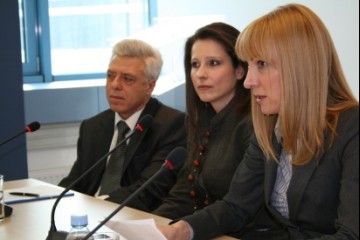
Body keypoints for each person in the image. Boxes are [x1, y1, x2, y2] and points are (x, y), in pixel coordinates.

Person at [159, 3, 359, 239]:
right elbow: (236, 206)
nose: (248, 81)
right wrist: (180, 230)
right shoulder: (271, 128)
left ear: (299, 67)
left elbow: (350, 235)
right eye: (249, 65)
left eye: (261, 64)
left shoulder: (351, 127)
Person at [59, 39, 187, 212]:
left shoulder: (172, 125)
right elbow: (76, 182)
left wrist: (99, 207)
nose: (115, 85)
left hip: (135, 218)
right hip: (89, 217)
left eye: (127, 79)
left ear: (150, 86)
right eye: (110, 76)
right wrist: (54, 200)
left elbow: (150, 190)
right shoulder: (92, 126)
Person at [152, 22, 252, 220]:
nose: (200, 74)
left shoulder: (252, 125)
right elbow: (184, 195)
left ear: (240, 70)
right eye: (195, 64)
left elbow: (240, 205)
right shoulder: (201, 122)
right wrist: (149, 227)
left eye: (213, 63)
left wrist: (184, 228)